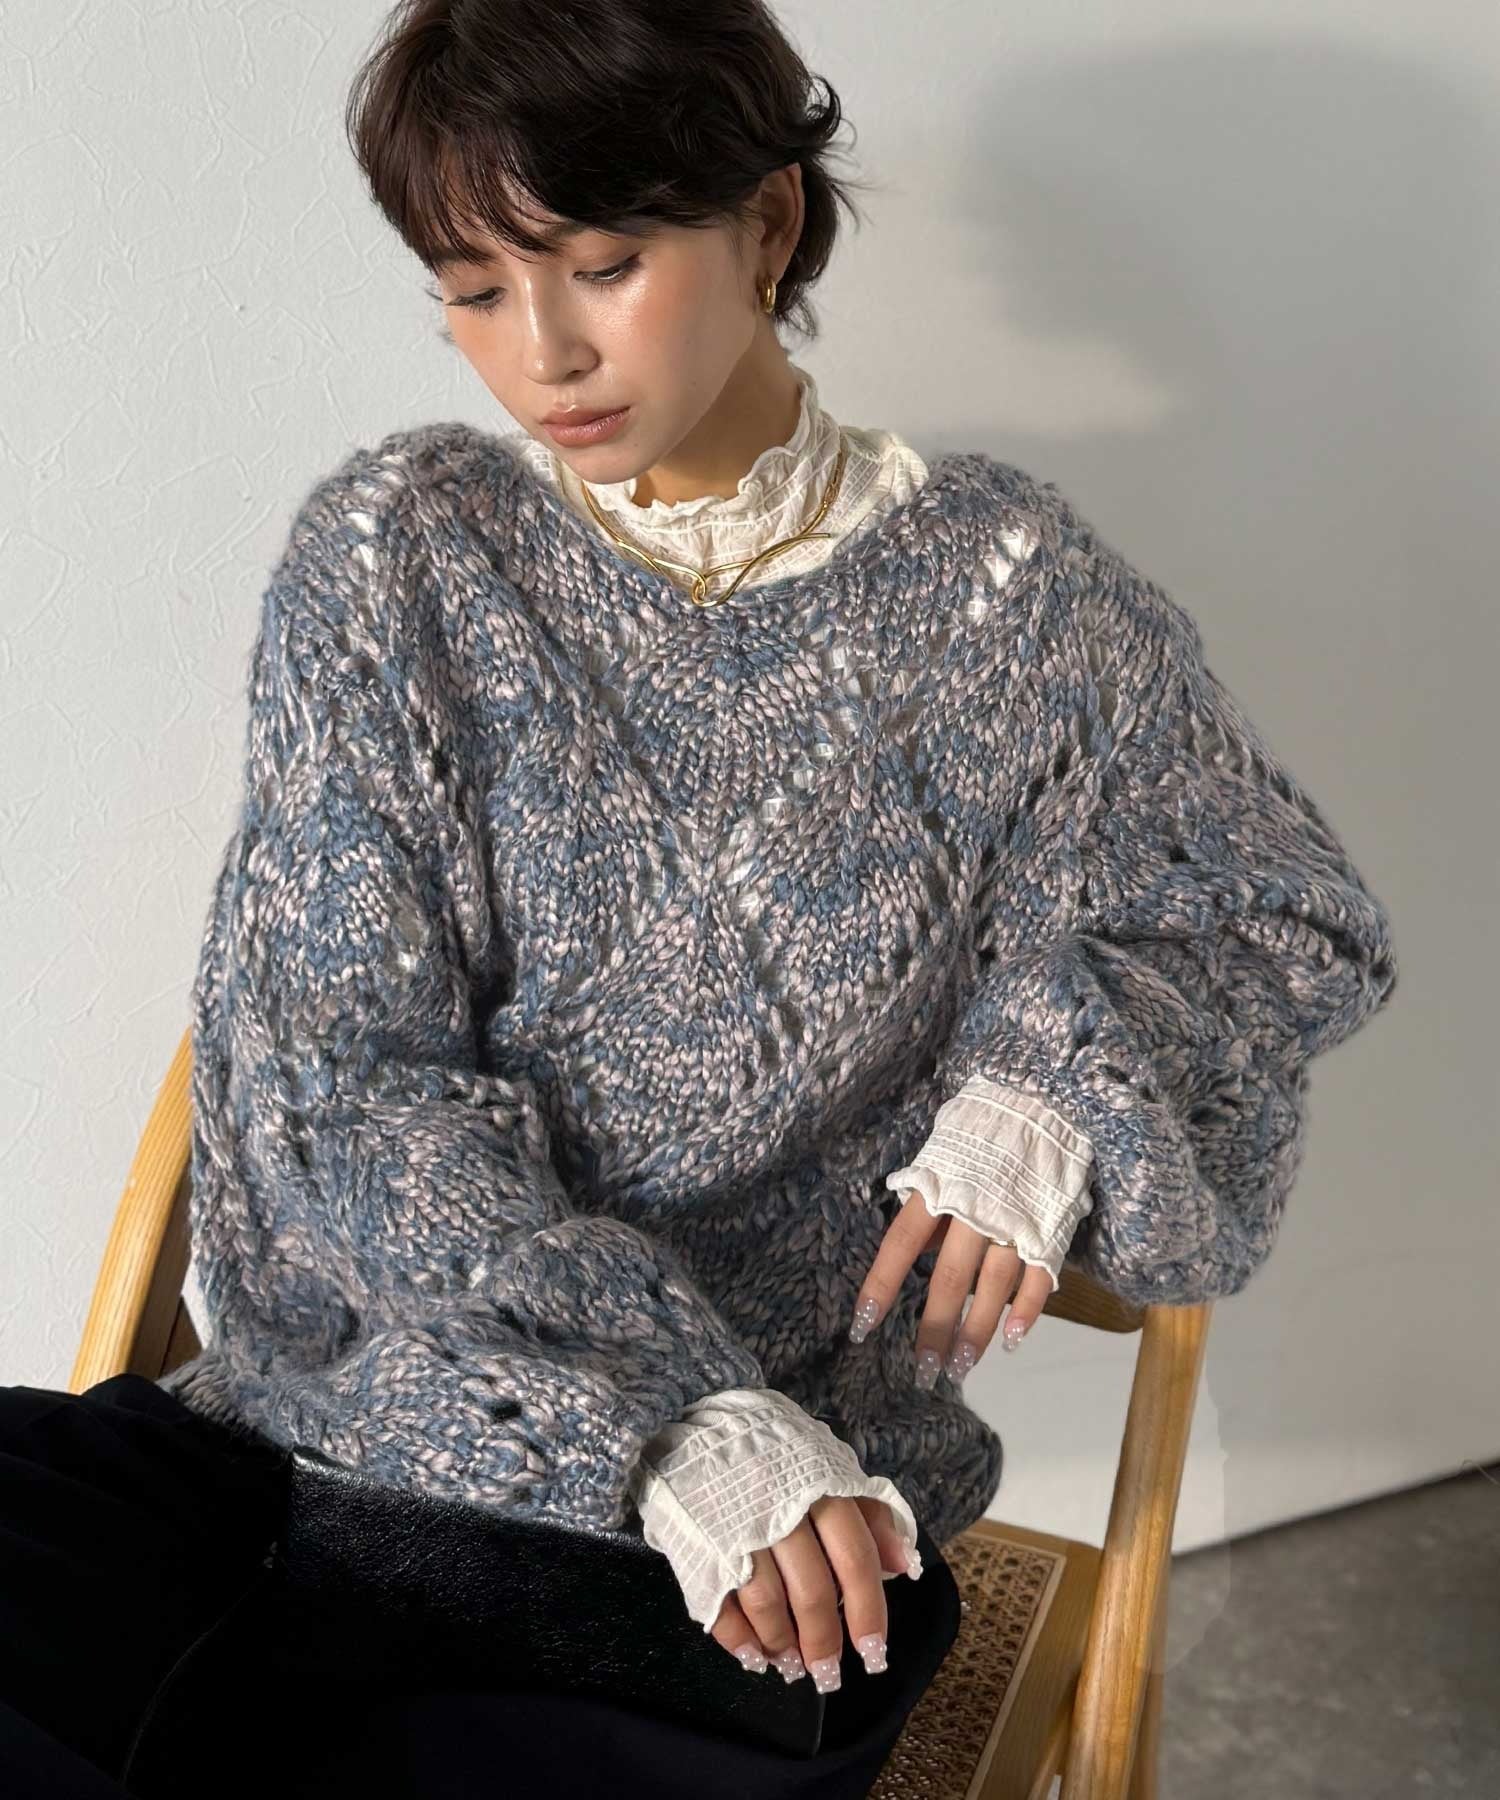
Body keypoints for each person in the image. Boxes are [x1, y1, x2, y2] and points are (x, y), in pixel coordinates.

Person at [1, 1, 1401, 1794]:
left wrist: (1056, 1081)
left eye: (603, 264)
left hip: (745, 1558)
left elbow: (1276, 913)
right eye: (473, 289)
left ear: (769, 222)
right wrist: (664, 1412)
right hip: (307, 1455)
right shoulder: (401, 555)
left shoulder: (1019, 608)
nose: (542, 353)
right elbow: (344, 1080)